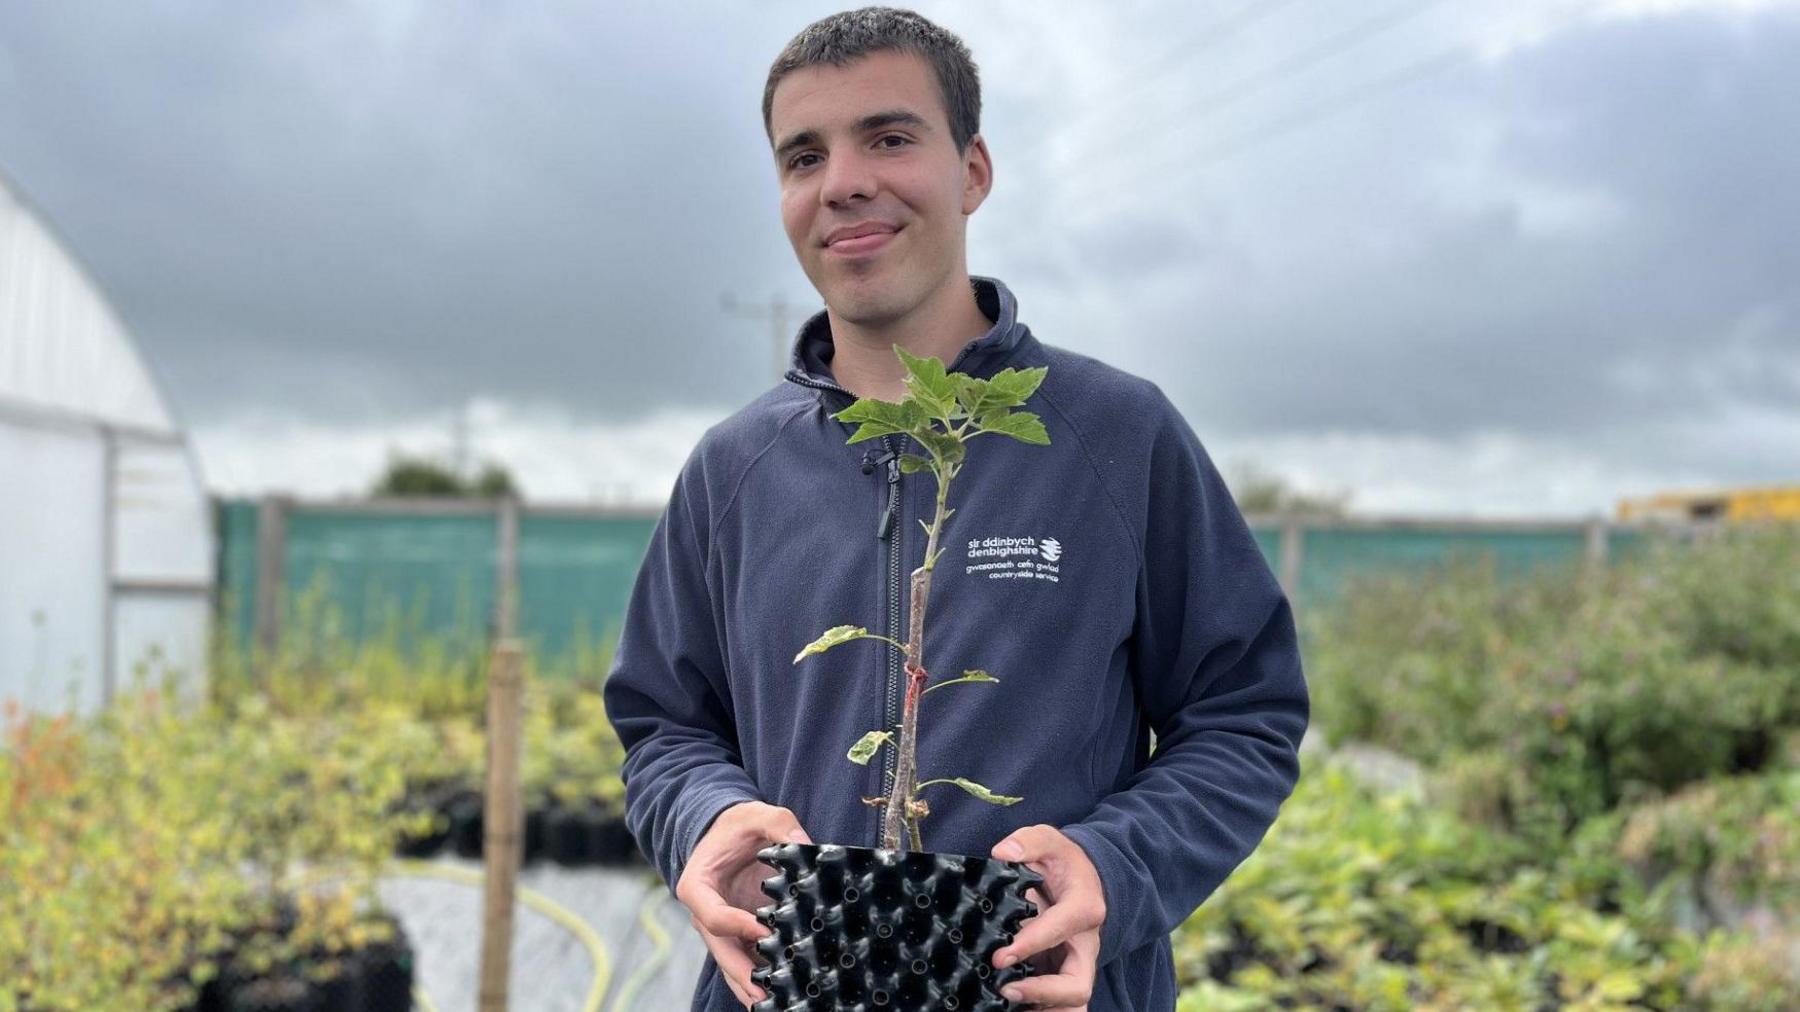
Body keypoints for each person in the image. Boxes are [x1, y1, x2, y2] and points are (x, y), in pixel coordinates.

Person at [601, 7, 1310, 1010]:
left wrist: (1115, 864)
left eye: (889, 138)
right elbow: (664, 723)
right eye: (804, 156)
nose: (842, 179)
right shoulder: (735, 470)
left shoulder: (1113, 435)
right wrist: (704, 816)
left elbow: (1244, 710)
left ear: (973, 170)